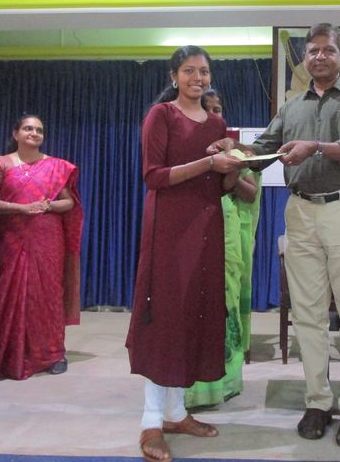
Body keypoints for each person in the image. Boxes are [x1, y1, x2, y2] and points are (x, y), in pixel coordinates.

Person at [209, 23, 340, 448]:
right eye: (312, 50)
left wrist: (314, 146)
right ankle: (318, 401)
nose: (319, 56)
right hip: (300, 210)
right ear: (304, 58)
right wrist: (232, 149)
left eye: (328, 50)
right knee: (307, 314)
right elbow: (262, 151)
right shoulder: (291, 106)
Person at [126, 47, 245, 462]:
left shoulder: (216, 123)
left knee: (192, 315)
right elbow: (153, 176)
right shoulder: (161, 115)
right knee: (166, 319)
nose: (198, 78)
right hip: (169, 230)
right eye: (190, 71)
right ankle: (151, 421)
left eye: (204, 71)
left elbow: (222, 187)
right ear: (174, 76)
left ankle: (176, 413)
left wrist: (235, 163)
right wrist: (208, 164)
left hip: (207, 229)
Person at [0, 114, 83, 382]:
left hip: (47, 237)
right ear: (15, 133)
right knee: (11, 291)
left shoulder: (56, 166)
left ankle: (52, 354)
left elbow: (69, 203)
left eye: (39, 130)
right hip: (12, 236)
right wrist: (21, 208)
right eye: (28, 128)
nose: (34, 133)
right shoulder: (1, 164)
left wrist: (46, 205)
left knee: (47, 294)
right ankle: (8, 353)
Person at [185, 89, 262, 407]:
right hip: (192, 230)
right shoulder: (185, 148)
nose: (215, 115)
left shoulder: (237, 152)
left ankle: (224, 381)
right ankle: (190, 386)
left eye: (218, 109)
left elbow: (250, 193)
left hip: (228, 231)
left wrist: (231, 174)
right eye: (209, 109)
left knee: (224, 302)